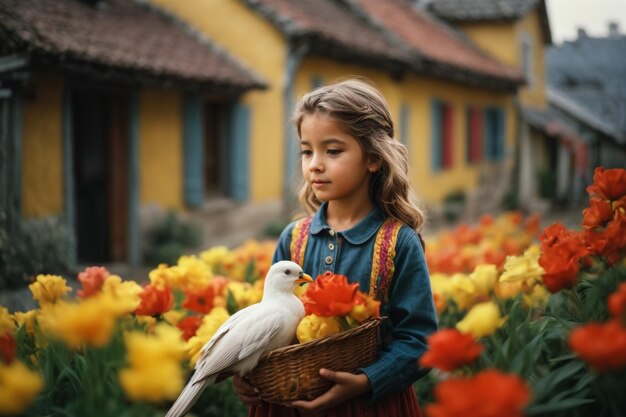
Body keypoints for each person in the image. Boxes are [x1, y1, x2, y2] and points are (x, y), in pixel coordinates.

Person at [233, 78, 438, 417]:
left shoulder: (398, 244)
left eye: (333, 150)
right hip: (287, 403)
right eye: (306, 150)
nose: (315, 164)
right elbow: (267, 323)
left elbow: (420, 340)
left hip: (369, 406)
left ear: (372, 158)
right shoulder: (292, 239)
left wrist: (366, 381)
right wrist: (246, 370)